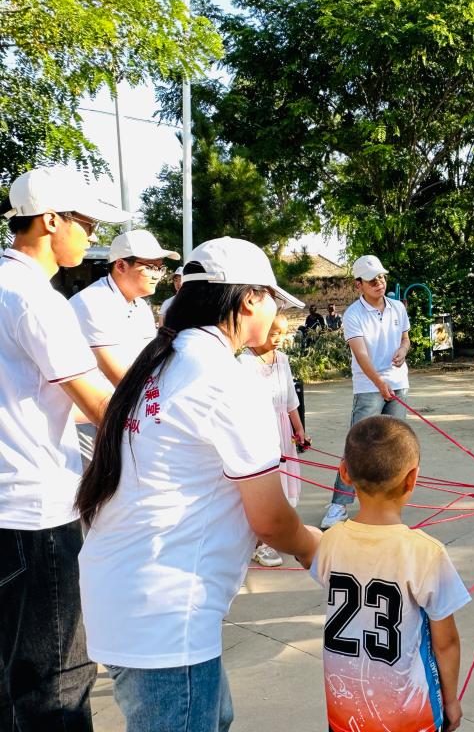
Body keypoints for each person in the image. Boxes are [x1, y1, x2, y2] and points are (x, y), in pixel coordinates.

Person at [76, 237, 320, 732]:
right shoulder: (226, 380)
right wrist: (316, 548)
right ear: (249, 300)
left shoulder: (162, 360)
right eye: (272, 299)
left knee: (214, 714)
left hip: (127, 594)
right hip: (165, 613)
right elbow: (270, 520)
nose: (275, 312)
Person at [0, 166, 123, 731]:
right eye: (87, 223)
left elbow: (36, 397)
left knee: (12, 678)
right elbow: (98, 403)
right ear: (50, 220)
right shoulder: (35, 299)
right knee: (58, 683)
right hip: (36, 514)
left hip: (9, 508)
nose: (91, 235)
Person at [314, 416, 469, 732]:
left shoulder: (330, 541)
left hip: (345, 715)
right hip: (410, 718)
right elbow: (446, 643)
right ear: (412, 479)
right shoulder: (426, 552)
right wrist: (451, 700)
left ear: (344, 473)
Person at [70, 229, 181, 464]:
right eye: (150, 267)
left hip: (123, 412)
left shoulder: (140, 307)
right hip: (90, 416)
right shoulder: (92, 302)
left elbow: (148, 363)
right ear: (120, 265)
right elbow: (118, 375)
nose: (157, 275)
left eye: (160, 268)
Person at [321, 254, 411, 530]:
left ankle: (386, 503)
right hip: (369, 387)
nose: (379, 283)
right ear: (358, 284)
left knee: (395, 447)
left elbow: (405, 338)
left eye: (381, 278)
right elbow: (360, 354)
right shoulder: (353, 314)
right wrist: (379, 383)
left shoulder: (397, 308)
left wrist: (403, 350)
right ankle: (339, 504)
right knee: (358, 447)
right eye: (372, 280)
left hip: (398, 383)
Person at [239, 313, 309, 567]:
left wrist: (299, 429)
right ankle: (259, 544)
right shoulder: (244, 362)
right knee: (265, 485)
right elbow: (241, 404)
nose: (278, 338)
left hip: (282, 432)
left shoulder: (282, 359)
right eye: (272, 333)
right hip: (258, 431)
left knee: (284, 484)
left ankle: (275, 537)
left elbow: (290, 400)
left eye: (282, 333)